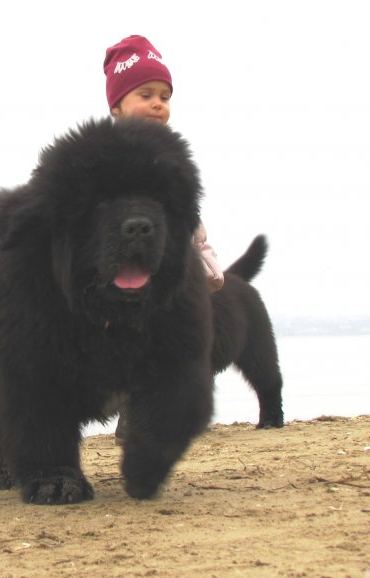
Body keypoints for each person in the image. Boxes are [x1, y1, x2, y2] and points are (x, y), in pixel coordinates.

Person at [104, 35, 223, 444]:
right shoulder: (101, 152)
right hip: (115, 273)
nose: (159, 104)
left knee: (162, 344)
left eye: (165, 96)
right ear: (116, 105)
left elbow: (187, 214)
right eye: (146, 94)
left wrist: (203, 257)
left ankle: (138, 419)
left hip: (161, 271)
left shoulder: (169, 154)